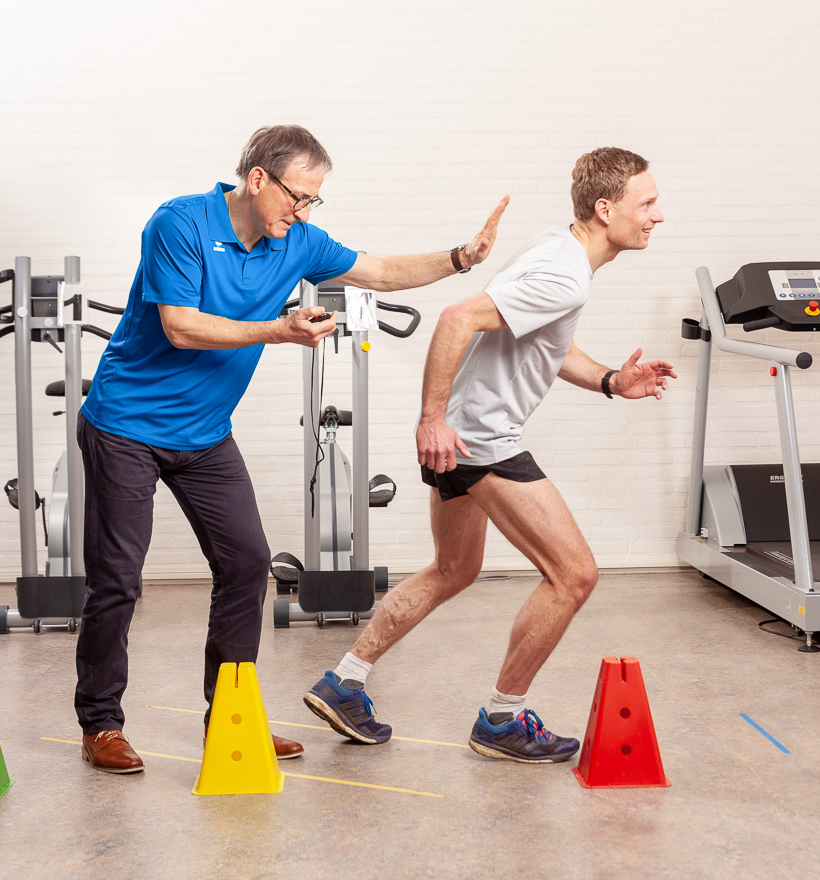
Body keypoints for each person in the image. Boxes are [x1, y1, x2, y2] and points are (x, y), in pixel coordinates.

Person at [75, 124, 509, 774]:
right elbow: (181, 326)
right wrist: (277, 331)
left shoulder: (298, 242)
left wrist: (460, 257)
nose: (304, 212)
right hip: (125, 427)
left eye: (313, 201)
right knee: (118, 579)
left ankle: (232, 716)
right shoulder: (180, 223)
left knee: (247, 565)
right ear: (258, 180)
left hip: (204, 435)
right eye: (297, 197)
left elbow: (382, 272)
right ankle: (101, 724)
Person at [304, 147, 675, 764]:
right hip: (480, 441)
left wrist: (611, 380)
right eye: (648, 203)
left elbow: (547, 341)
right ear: (606, 209)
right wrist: (433, 419)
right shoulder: (564, 271)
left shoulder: (559, 252)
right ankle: (503, 719)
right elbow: (454, 319)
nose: (657, 215)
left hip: (463, 436)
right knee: (575, 574)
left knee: (453, 569)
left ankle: (345, 680)